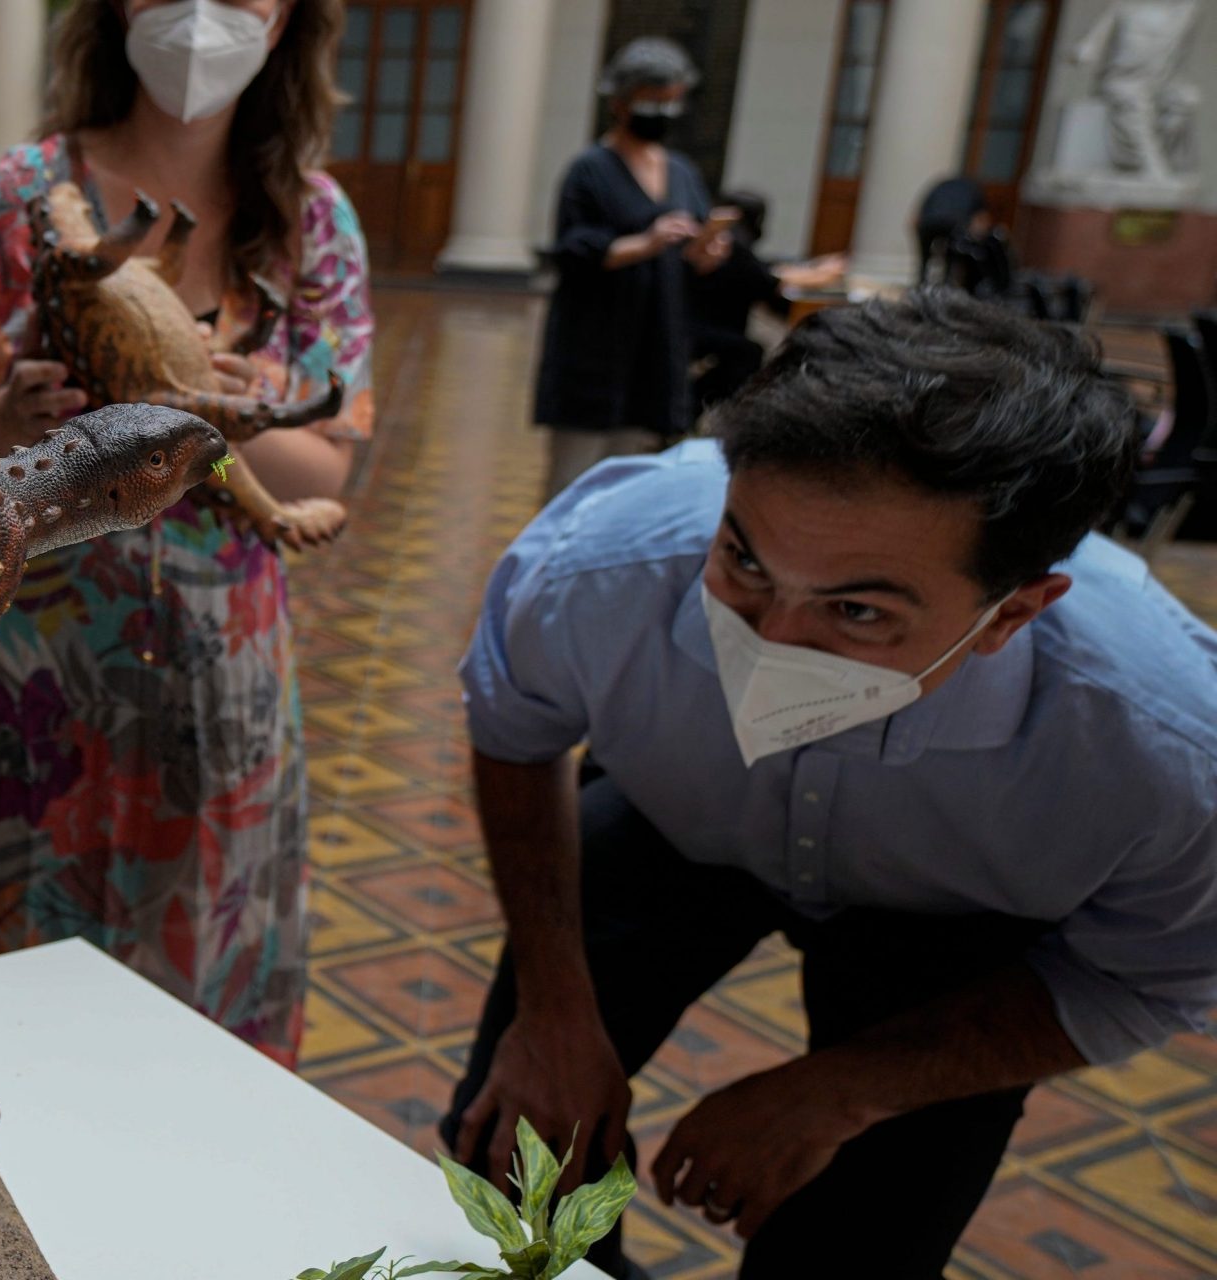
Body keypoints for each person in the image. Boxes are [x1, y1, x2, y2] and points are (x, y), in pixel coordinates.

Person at [441, 289, 1217, 1278]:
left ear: (1014, 612)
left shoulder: (1161, 752)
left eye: (856, 610)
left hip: (952, 913)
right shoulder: (603, 567)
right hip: (678, 823)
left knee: (861, 1241)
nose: (768, 644)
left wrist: (845, 1087)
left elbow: (1145, 974)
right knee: (515, 1154)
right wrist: (550, 1011)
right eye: (743, 562)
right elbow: (514, 733)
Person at [0, 0, 371, 1068]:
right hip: (27, 666)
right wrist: (3, 415)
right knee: (0, 996)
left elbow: (329, 464)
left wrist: (229, 409)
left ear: (287, 18)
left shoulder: (309, 223)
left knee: (197, 987)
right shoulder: (24, 196)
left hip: (217, 675)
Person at [534, 37, 727, 500]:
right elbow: (574, 251)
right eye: (650, 102)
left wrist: (706, 251)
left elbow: (691, 254)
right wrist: (645, 243)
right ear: (619, 103)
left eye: (669, 103)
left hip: (654, 350)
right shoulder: (590, 170)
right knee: (572, 485)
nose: (660, 113)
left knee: (629, 488)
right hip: (594, 348)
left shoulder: (681, 172)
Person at [686, 191, 844, 410]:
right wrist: (821, 274)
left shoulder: (729, 240)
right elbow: (770, 282)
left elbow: (764, 272)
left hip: (696, 326)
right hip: (698, 329)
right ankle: (689, 408)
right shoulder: (733, 244)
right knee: (748, 355)